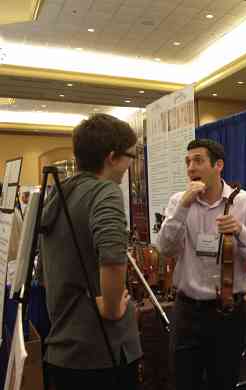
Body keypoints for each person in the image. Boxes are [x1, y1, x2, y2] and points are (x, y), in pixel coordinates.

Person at [157, 138, 246, 389]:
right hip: (186, 312)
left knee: (223, 382)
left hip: (228, 314)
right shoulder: (178, 201)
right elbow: (164, 249)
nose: (191, 168)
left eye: (198, 161)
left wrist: (241, 231)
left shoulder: (245, 203)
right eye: (187, 162)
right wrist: (184, 207)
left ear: (218, 165)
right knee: (184, 382)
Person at [40, 113, 142, 390]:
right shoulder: (105, 192)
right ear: (112, 157)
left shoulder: (59, 195)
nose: (129, 165)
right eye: (130, 157)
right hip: (101, 353)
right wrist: (111, 308)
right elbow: (112, 256)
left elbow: (44, 273)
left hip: (62, 349)